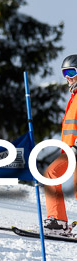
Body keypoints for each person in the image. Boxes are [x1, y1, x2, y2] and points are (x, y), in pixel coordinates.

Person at [43, 54, 77, 235]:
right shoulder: (74, 97)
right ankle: (58, 222)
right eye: (65, 72)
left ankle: (59, 221)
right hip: (71, 150)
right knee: (51, 174)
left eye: (71, 72)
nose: (68, 77)